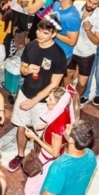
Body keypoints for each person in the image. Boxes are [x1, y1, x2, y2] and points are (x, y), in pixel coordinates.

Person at [7, 17, 67, 173]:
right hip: (25, 92)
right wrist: (27, 70)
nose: (40, 34)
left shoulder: (59, 55)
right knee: (21, 127)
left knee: (39, 136)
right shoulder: (32, 45)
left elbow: (55, 84)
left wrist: (33, 101)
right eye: (39, 30)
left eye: (45, 32)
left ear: (53, 34)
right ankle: (20, 156)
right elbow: (22, 68)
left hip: (44, 102)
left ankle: (36, 160)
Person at [29, 120, 96, 195]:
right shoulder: (91, 156)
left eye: (70, 127)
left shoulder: (60, 167)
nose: (66, 125)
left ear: (71, 140)